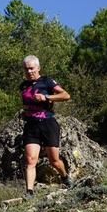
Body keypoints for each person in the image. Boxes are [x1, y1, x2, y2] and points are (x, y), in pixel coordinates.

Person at [19, 55, 71, 199]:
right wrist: (25, 112)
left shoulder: (47, 81)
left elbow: (66, 95)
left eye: (31, 68)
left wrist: (46, 97)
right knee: (30, 160)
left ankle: (65, 177)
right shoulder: (23, 86)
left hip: (48, 123)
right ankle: (29, 192)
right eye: (26, 69)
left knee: (54, 160)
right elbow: (26, 104)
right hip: (31, 125)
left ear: (38, 68)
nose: (29, 71)